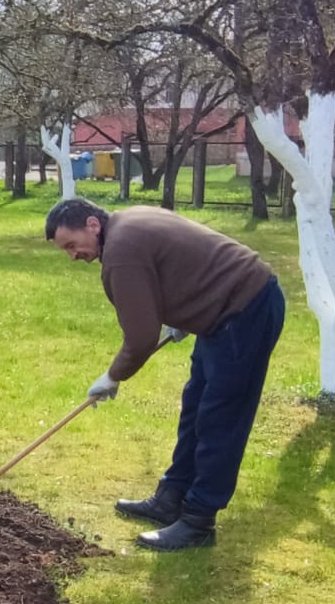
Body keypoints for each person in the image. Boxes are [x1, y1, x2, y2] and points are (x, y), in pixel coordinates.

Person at [45, 199, 284, 552]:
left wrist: (112, 376)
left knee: (220, 418)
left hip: (244, 309)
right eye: (65, 250)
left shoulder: (120, 253)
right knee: (195, 407)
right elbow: (180, 262)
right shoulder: (128, 222)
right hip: (223, 307)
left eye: (71, 244)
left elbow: (141, 338)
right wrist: (184, 312)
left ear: (92, 225)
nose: (72, 255)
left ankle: (199, 521)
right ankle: (171, 498)